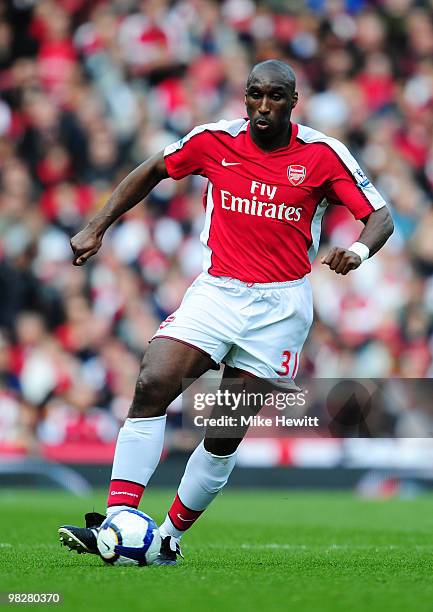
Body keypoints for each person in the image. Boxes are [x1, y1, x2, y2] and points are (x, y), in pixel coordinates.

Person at [58, 60, 394, 564]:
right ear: (244, 97)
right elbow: (152, 169)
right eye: (255, 94)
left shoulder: (323, 155)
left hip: (281, 307)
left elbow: (380, 216)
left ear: (293, 101)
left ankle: (167, 538)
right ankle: (118, 519)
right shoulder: (214, 141)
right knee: (153, 382)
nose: (263, 106)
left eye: (275, 96)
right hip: (217, 292)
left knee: (223, 429)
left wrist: (359, 252)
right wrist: (97, 226)